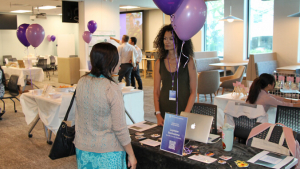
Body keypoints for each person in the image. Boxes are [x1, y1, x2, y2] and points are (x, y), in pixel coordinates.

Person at [74, 42, 137, 169]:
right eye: (117, 60)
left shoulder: (81, 82)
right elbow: (119, 128)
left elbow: (79, 116)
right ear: (109, 62)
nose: (119, 65)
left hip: (82, 149)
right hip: (108, 153)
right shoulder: (111, 88)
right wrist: (131, 154)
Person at [153, 24, 197, 126]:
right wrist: (158, 114)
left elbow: (193, 91)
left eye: (171, 38)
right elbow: (156, 91)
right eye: (164, 38)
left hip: (185, 110)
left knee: (185, 141)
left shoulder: (189, 62)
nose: (166, 41)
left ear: (180, 40)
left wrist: (185, 114)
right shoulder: (159, 63)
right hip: (165, 111)